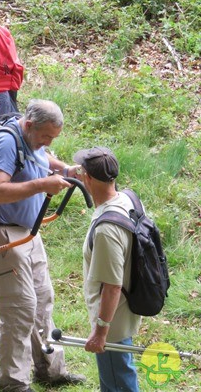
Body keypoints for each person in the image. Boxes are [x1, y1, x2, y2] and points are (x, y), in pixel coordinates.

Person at [0, 99, 85, 391]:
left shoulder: (31, 142)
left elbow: (41, 160)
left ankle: (50, 371)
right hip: (2, 233)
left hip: (28, 232)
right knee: (19, 308)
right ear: (29, 124)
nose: (48, 142)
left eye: (53, 138)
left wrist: (66, 170)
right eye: (46, 136)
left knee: (42, 300)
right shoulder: (5, 143)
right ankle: (12, 382)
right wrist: (41, 186)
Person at [75, 147, 140, 391]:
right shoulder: (127, 199)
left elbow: (112, 287)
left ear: (87, 179)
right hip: (125, 309)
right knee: (121, 372)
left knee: (117, 383)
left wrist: (101, 331)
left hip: (112, 317)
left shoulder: (106, 230)